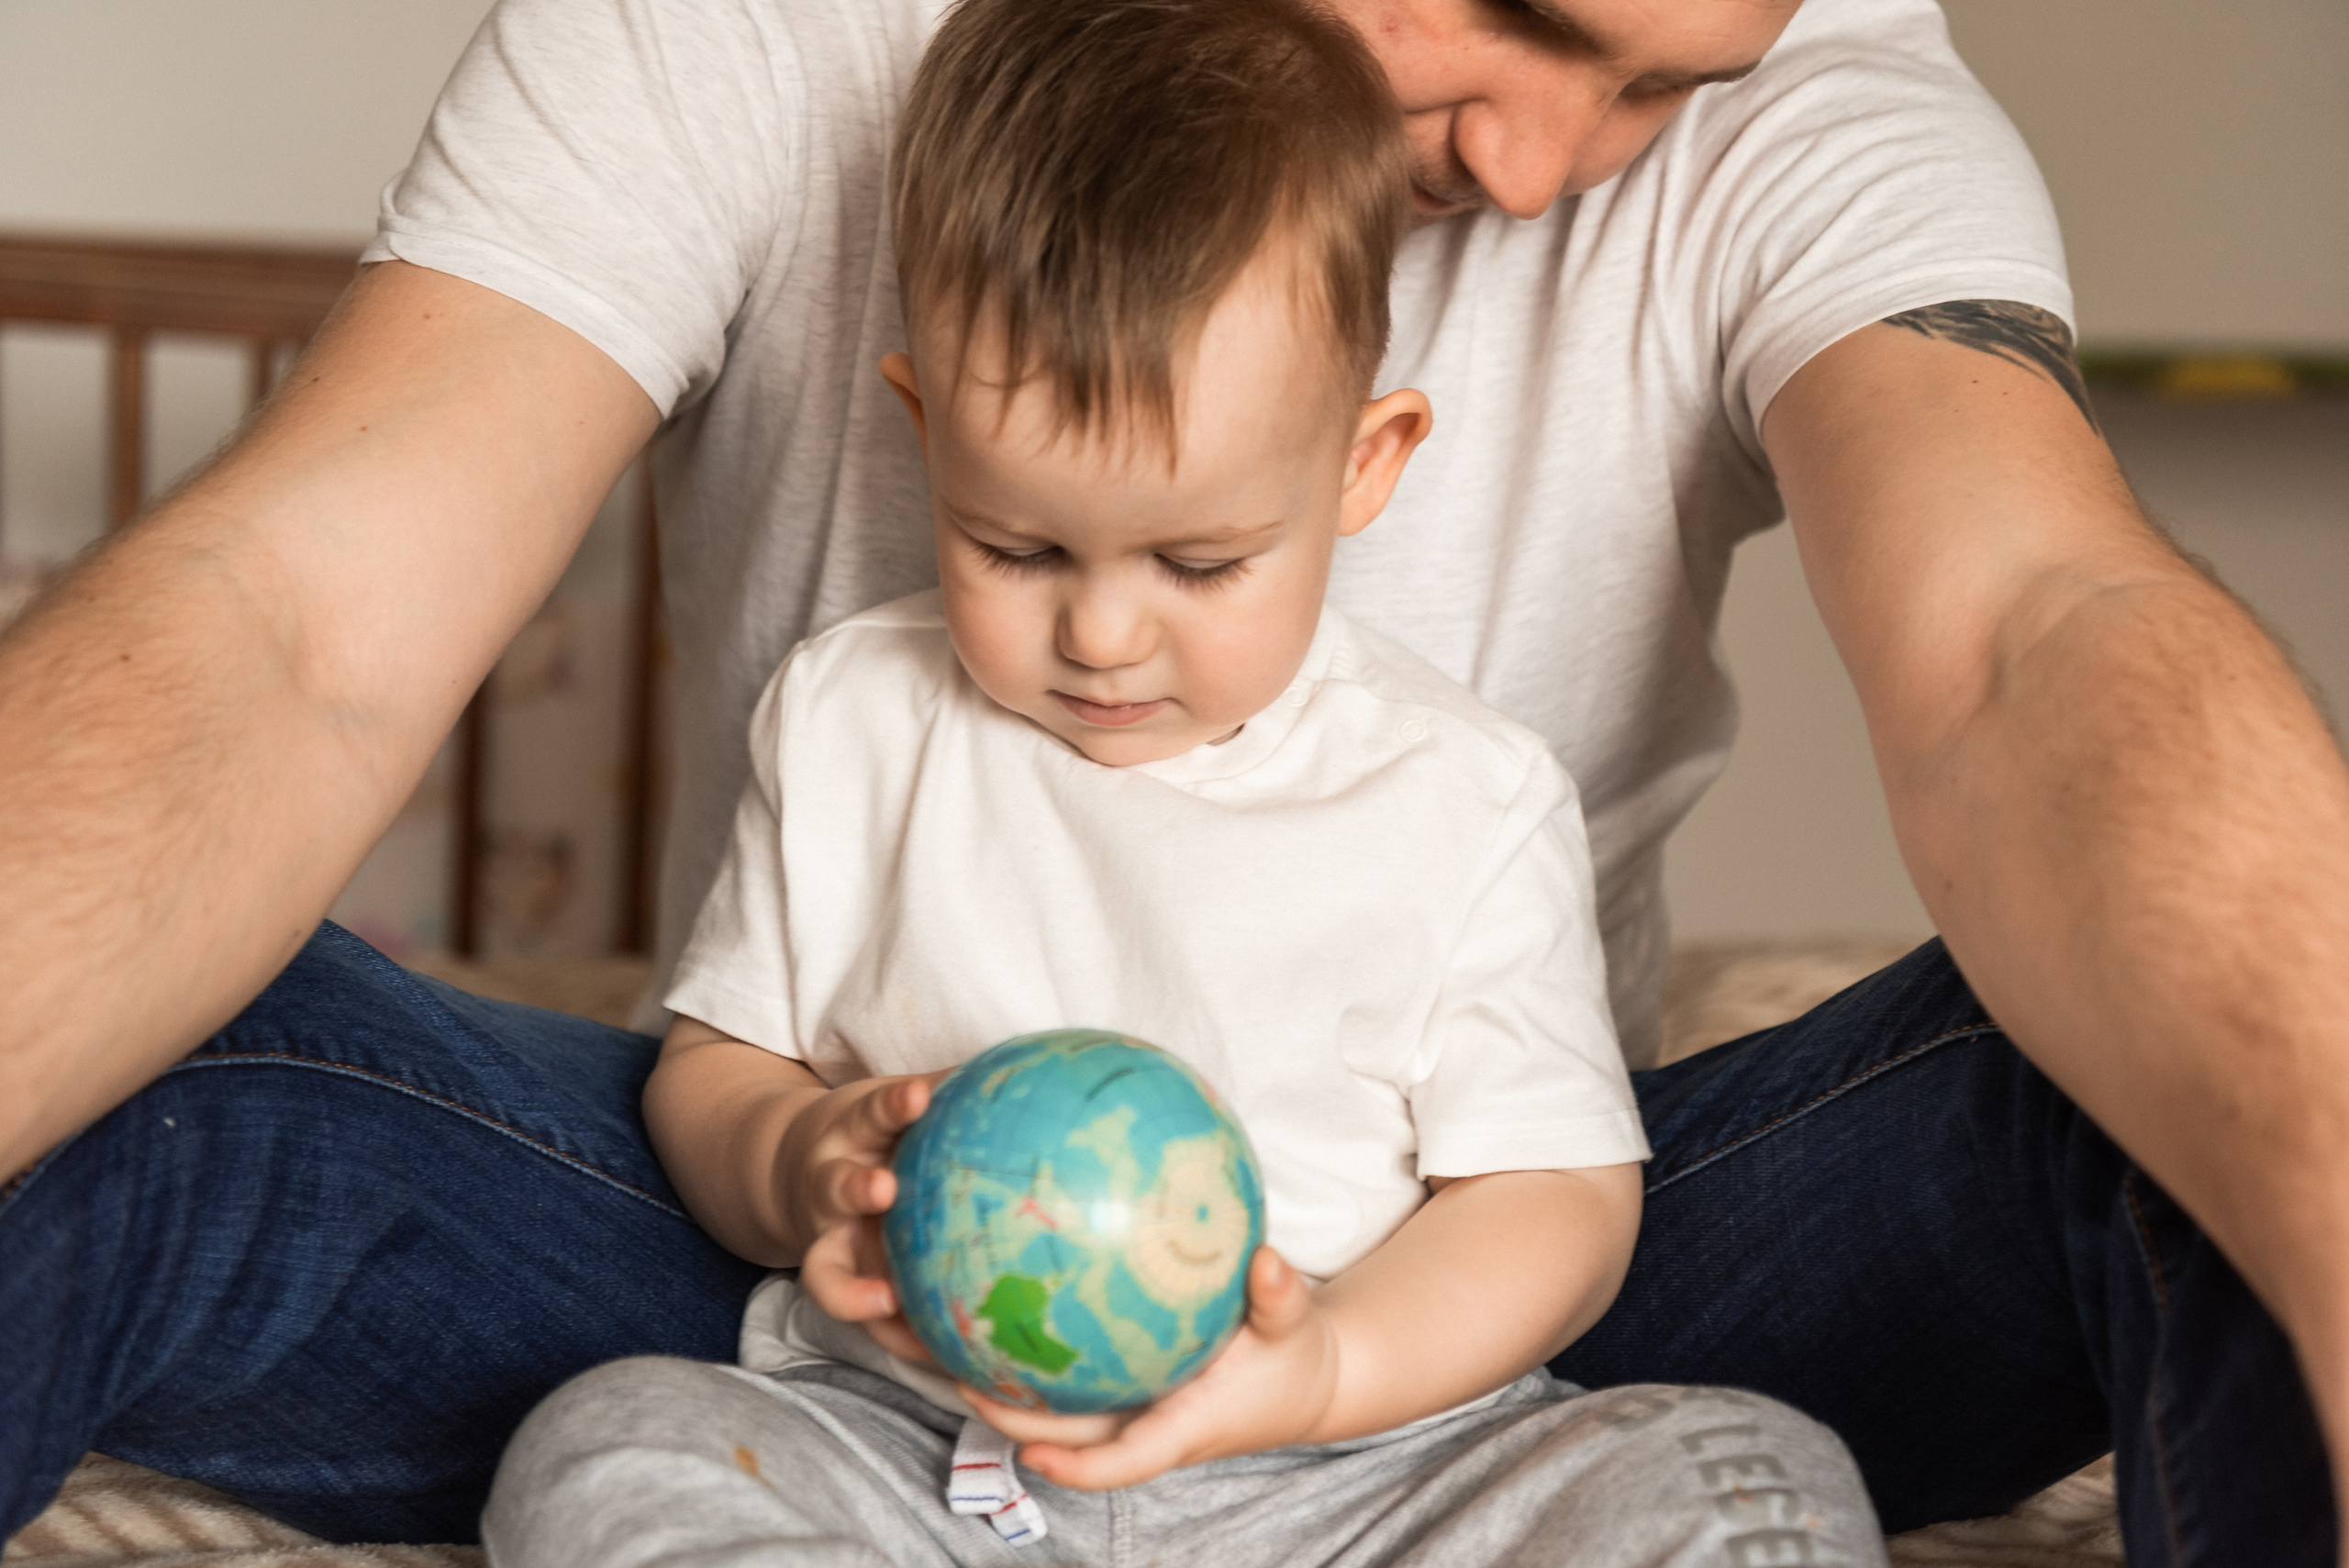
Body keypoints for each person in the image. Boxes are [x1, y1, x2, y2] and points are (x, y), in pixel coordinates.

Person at [0, 0, 2343, 1559]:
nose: (1543, 167)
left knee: (2197, 1046)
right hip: (826, 1310)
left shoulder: (1808, 99)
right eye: (1518, 3)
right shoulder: (760, 66)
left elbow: (2038, 652)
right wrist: (808, 1156)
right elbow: (285, 636)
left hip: (1447, 1304)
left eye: (1653, 81)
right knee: (161, 1048)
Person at [479, 6, 1887, 1562]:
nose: (1099, 632)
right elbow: (710, 1070)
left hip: (1361, 1464)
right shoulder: (849, 718)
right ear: (924, 426)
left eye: (1203, 560)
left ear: (1366, 461)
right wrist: (801, 1161)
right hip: (908, 1435)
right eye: (1014, 546)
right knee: (607, 1444)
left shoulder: (1464, 795)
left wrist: (1328, 1366)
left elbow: (1555, 1198)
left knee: (1743, 1474)